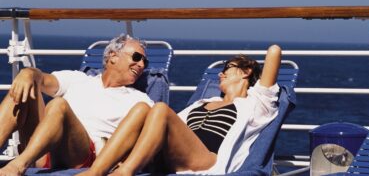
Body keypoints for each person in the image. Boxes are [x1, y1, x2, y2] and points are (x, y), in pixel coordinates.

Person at [79, 44, 282, 176]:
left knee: (160, 110)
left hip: (206, 161)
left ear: (246, 72)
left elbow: (274, 51)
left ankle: (125, 173)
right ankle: (96, 171)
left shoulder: (255, 104)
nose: (221, 74)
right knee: (142, 108)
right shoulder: (202, 102)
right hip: (172, 157)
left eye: (227, 67)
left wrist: (249, 61)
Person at [0, 34, 154, 176]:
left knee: (59, 105)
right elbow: (42, 80)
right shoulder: (78, 79)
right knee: (22, 92)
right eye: (137, 57)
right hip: (41, 151)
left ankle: (19, 165)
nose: (141, 64)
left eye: (144, 62)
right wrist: (29, 73)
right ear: (113, 56)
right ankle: (24, 160)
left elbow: (153, 133)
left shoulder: (139, 100)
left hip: (82, 157)